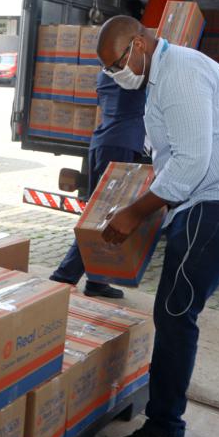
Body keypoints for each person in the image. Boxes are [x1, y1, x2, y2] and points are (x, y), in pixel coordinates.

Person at [96, 15, 219, 437]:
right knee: (174, 307)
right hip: (209, 197)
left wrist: (136, 212)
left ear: (138, 44)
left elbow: (194, 162)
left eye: (118, 62)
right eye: (109, 70)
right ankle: (163, 415)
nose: (117, 74)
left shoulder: (179, 76)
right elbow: (175, 156)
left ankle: (165, 428)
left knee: (176, 311)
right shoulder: (163, 74)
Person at [49, 71, 146, 298]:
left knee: (100, 215)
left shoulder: (105, 73)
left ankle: (97, 280)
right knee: (105, 219)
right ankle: (63, 277)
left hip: (104, 142)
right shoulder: (130, 73)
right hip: (120, 143)